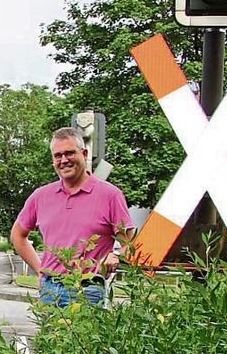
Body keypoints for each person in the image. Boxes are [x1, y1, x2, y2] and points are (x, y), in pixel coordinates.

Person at [11, 126, 135, 307]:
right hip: (50, 290)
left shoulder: (110, 195)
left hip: (89, 289)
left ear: (84, 154)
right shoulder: (40, 196)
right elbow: (18, 235)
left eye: (69, 153)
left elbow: (129, 243)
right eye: (58, 155)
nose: (64, 160)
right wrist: (40, 270)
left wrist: (116, 255)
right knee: (50, 336)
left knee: (86, 336)